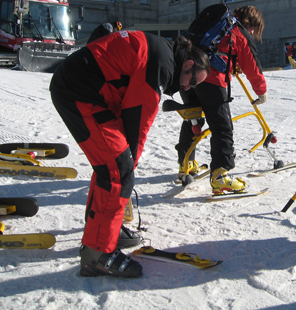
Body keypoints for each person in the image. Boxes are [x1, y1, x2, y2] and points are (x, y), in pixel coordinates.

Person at [50, 31, 210, 278]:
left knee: (111, 165)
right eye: (193, 81)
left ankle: (102, 230)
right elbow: (139, 117)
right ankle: (97, 253)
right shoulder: (162, 63)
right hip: (80, 91)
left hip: (86, 89)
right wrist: (127, 171)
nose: (187, 87)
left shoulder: (163, 53)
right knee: (117, 168)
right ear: (187, 64)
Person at [176, 5, 267, 195]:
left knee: (193, 118)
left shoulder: (217, 25)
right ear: (251, 24)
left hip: (187, 75)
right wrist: (261, 91)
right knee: (222, 127)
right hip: (211, 79)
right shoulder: (238, 32)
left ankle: (187, 164)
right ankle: (220, 176)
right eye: (254, 29)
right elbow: (252, 67)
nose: (252, 33)